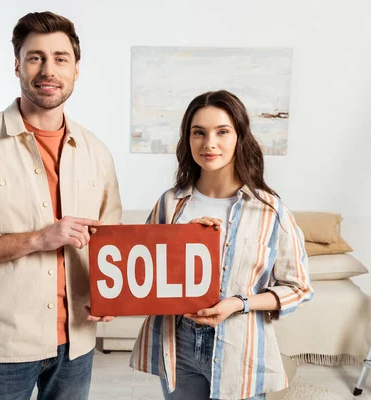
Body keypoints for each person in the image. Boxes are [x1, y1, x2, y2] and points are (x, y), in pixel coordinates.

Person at [0, 11, 121, 400]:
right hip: (3, 346)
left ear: (76, 69)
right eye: (36, 57)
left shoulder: (97, 153)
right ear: (17, 64)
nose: (48, 69)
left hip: (78, 342)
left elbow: (108, 245)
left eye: (60, 58)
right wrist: (38, 239)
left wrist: (110, 296)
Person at [130, 90, 313, 399]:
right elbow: (147, 274)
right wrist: (178, 240)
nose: (209, 143)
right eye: (198, 132)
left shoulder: (269, 209)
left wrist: (237, 304)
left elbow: (299, 287)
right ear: (187, 139)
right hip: (179, 343)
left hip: (240, 345)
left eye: (222, 131)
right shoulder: (170, 204)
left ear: (240, 136)